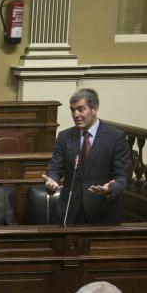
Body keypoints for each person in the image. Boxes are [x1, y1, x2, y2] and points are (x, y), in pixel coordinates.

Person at [43, 88, 131, 224]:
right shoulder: (65, 137)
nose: (75, 114)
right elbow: (54, 168)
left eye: (80, 109)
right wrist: (51, 181)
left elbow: (122, 175)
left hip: (103, 213)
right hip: (69, 213)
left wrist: (110, 188)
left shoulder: (115, 137)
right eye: (72, 110)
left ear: (94, 109)